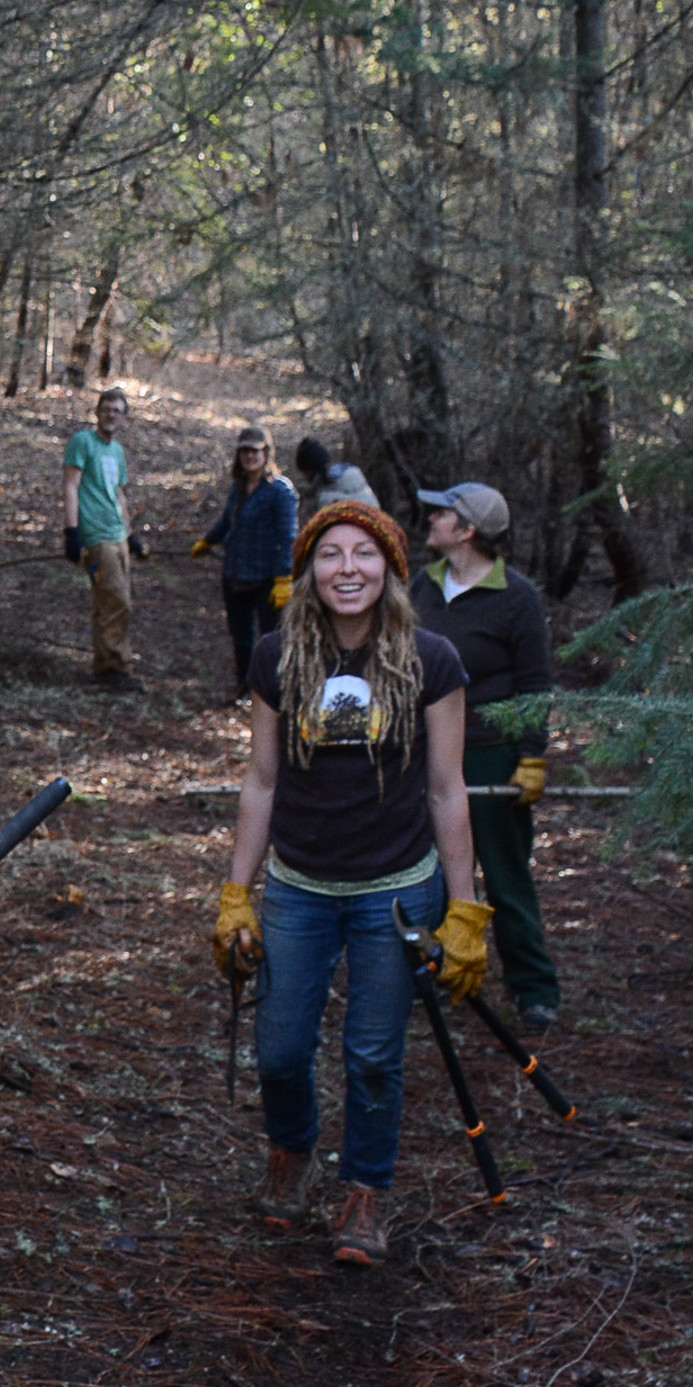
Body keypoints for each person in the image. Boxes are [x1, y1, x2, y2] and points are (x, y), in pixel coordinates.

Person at [209, 500, 493, 1266]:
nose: (347, 569)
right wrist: (239, 893)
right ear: (308, 572)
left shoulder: (432, 660)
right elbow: (261, 781)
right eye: (330, 554)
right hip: (299, 883)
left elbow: (446, 790)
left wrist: (465, 909)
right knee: (279, 1048)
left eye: (363, 555)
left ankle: (367, 1189)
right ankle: (292, 1151)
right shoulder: (276, 655)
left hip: (396, 890)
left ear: (391, 570)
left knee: (372, 1054)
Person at [410, 482, 561, 1032]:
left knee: (504, 875)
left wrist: (531, 755)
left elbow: (535, 683)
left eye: (442, 514)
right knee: (422, 872)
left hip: (490, 755)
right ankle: (424, 974)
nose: (430, 519)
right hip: (426, 751)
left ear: (468, 530)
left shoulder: (515, 596)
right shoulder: (421, 587)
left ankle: (534, 989)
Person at [191, 424, 300, 698]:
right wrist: (208, 541)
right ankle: (244, 686)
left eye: (255, 451)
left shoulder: (281, 491)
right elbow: (228, 521)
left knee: (271, 639)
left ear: (266, 453)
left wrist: (284, 577)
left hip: (267, 578)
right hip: (236, 573)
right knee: (240, 637)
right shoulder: (238, 488)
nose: (250, 457)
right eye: (244, 452)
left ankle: (275, 693)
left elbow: (288, 536)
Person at [61, 386, 147, 691]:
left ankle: (105, 667)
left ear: (125, 417)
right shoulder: (83, 442)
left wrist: (131, 534)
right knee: (117, 602)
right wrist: (72, 531)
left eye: (117, 411)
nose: (111, 415)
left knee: (109, 602)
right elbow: (71, 486)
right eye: (106, 409)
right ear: (97, 412)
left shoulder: (117, 451)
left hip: (117, 534)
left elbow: (119, 494)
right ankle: (116, 668)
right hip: (96, 535)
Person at [292, 436, 379, 520]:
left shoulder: (327, 500)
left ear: (311, 470)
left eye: (304, 473)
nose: (304, 477)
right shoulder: (355, 476)